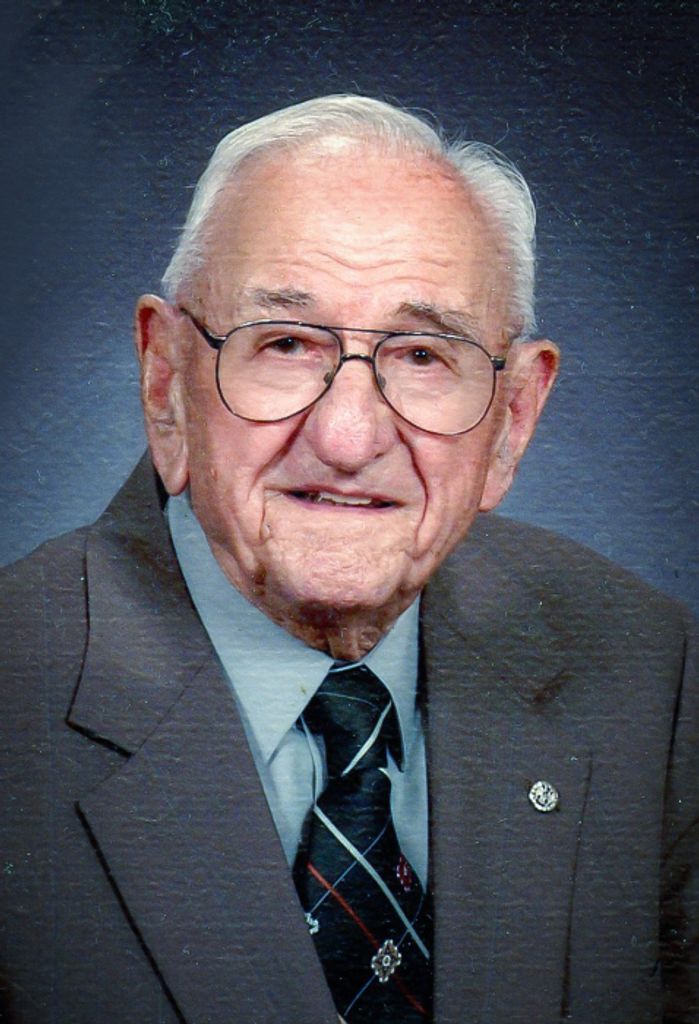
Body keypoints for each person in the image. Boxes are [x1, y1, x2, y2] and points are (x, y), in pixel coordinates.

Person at [1, 95, 696, 1024]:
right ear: (165, 382)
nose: (347, 437)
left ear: (512, 421)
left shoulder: (648, 668)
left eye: (423, 356)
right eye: (285, 344)